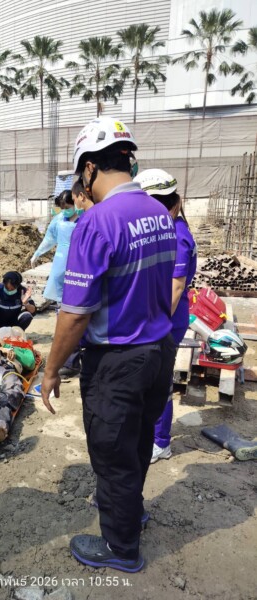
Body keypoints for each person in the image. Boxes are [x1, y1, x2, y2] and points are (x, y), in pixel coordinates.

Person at [40, 117, 177, 573]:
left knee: (113, 453)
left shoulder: (97, 222)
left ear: (90, 169)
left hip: (117, 360)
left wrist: (51, 369)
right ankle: (131, 512)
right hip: (158, 352)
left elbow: (75, 313)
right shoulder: (159, 213)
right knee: (138, 441)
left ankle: (121, 547)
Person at [135, 169, 197, 463]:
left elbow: (176, 287)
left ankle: (160, 442)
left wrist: (156, 324)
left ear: (168, 205)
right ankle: (152, 433)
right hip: (160, 314)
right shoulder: (168, 228)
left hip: (168, 319)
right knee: (150, 380)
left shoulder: (179, 236)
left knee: (159, 382)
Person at [58, 179, 94, 379]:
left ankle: (71, 363)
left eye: (73, 200)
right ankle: (74, 362)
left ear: (81, 196)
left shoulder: (90, 221)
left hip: (83, 281)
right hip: (80, 277)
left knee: (72, 319)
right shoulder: (85, 219)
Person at [31, 190, 81, 304]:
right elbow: (49, 239)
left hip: (77, 258)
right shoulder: (58, 220)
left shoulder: (84, 219)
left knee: (76, 285)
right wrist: (37, 254)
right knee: (58, 285)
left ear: (74, 203)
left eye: (67, 207)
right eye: (62, 208)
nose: (64, 211)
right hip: (61, 259)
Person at [0, 271, 36, 337]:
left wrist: (25, 303)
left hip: (14, 324)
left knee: (27, 316)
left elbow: (32, 311)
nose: (9, 290)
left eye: (12, 289)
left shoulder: (23, 291)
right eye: (7, 288)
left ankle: (15, 336)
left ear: (18, 286)